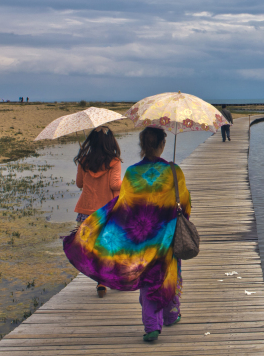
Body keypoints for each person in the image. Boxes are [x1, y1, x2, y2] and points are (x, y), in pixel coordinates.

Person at [64, 127, 190, 343]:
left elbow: (124, 206)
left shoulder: (132, 172)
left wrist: (102, 223)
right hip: (166, 233)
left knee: (148, 276)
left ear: (142, 146)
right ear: (163, 145)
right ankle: (170, 315)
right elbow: (185, 206)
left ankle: (152, 323)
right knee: (168, 272)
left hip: (141, 237)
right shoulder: (174, 170)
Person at [73, 126, 123, 298]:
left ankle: (102, 280)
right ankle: (107, 278)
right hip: (107, 210)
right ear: (111, 143)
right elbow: (115, 185)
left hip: (87, 211)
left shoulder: (84, 160)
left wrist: (83, 161)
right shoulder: (114, 162)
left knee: (93, 247)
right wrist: (129, 183)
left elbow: (79, 184)